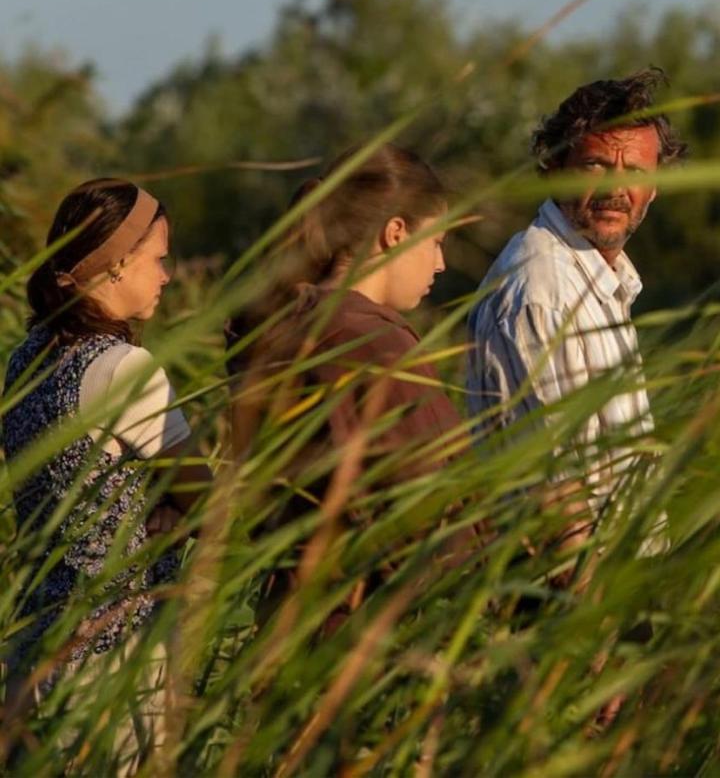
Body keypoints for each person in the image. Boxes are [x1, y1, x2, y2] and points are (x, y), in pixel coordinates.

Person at [2, 178, 212, 765]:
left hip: (38, 647)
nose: (166, 276)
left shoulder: (27, 358)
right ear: (118, 265)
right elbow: (204, 496)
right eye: (158, 260)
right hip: (116, 661)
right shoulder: (126, 369)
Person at [226, 144, 478, 625]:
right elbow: (428, 520)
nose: (440, 264)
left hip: (287, 622)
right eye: (437, 242)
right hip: (361, 639)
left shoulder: (286, 322)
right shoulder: (374, 345)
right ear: (396, 233)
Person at [467, 68, 687, 559]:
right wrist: (597, 624)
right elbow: (555, 494)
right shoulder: (540, 286)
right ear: (554, 170)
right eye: (595, 167)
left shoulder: (601, 279)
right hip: (566, 601)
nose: (616, 189)